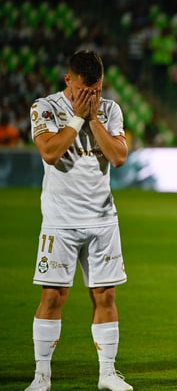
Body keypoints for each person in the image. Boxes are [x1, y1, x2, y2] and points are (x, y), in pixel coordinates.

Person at [26, 50, 133, 391]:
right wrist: (75, 118)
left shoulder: (111, 110)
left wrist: (94, 119)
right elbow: (50, 152)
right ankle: (42, 376)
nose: (90, 97)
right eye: (84, 91)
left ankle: (107, 374)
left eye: (97, 91)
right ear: (68, 80)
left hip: (103, 221)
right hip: (60, 221)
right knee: (54, 297)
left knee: (105, 296)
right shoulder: (44, 108)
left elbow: (118, 157)